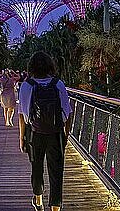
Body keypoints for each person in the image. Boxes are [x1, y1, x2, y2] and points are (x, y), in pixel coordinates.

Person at [18, 52, 73, 211]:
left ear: (32, 67)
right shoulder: (58, 84)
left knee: (36, 167)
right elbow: (68, 113)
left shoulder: (26, 85)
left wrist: (21, 137)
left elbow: (22, 114)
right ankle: (55, 207)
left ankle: (38, 200)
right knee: (56, 172)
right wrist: (65, 135)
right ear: (50, 66)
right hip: (56, 133)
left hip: (34, 132)